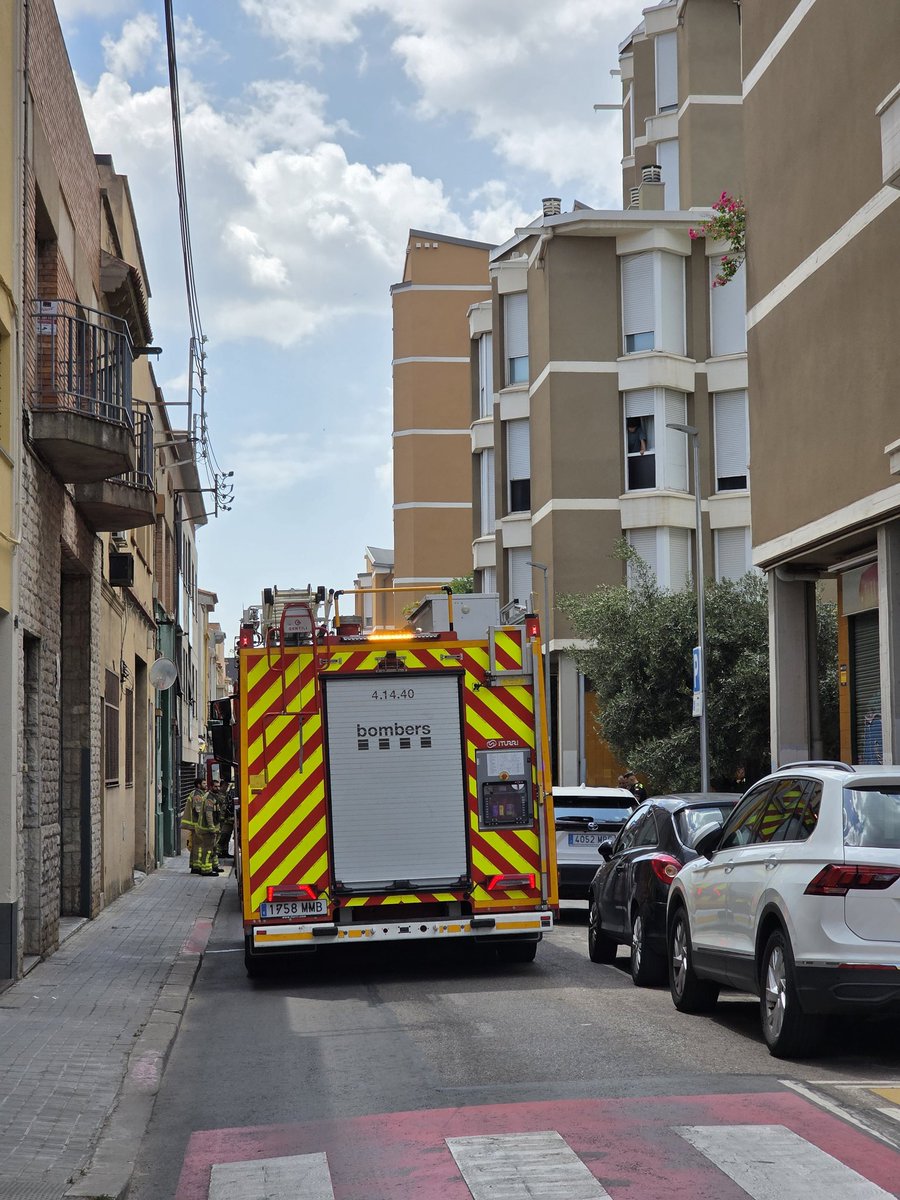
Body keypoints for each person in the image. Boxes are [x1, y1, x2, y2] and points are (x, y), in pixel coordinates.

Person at [181, 774, 220, 876]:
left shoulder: (201, 794)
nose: (206, 785)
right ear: (198, 785)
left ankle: (196, 866)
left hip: (197, 825)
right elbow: (198, 810)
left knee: (199, 846)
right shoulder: (197, 795)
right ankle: (197, 867)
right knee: (198, 847)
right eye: (204, 783)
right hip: (196, 825)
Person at [214, 780, 235, 860]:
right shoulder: (219, 796)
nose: (226, 787)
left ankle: (225, 851)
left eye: (226, 786)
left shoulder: (226, 795)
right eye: (224, 786)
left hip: (227, 819)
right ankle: (218, 852)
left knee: (227, 835)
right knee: (222, 836)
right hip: (221, 820)